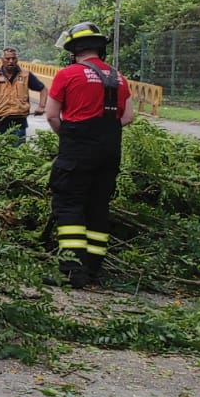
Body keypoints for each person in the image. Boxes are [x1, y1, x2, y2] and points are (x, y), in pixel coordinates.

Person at [44, 22, 135, 288]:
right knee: (98, 207)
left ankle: (72, 271)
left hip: (77, 150)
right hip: (109, 151)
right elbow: (128, 116)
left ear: (74, 50)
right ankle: (93, 270)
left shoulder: (68, 74)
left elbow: (51, 115)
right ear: (99, 49)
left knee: (69, 205)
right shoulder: (119, 78)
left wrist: (72, 137)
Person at [0, 48, 47, 142]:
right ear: (2, 59)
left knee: (17, 152)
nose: (11, 61)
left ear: (17, 59)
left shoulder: (25, 74)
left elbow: (43, 89)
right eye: (7, 59)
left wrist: (41, 106)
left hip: (19, 122)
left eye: (13, 58)